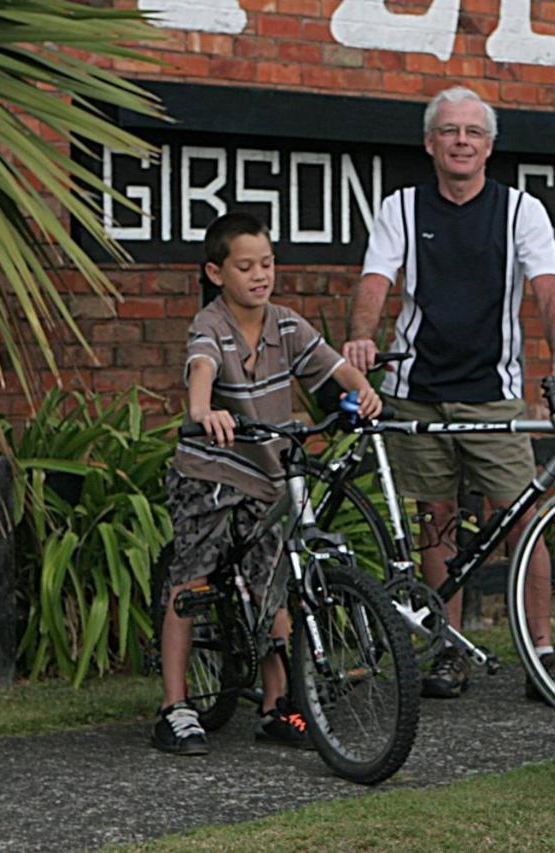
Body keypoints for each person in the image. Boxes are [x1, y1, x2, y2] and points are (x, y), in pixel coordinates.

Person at [343, 86, 555, 703]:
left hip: (491, 392)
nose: (461, 141)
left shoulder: (520, 211)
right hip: (417, 389)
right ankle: (446, 648)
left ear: (489, 146)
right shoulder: (400, 207)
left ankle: (542, 653)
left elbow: (549, 288)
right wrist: (360, 339)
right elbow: (376, 279)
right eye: (449, 131)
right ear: (430, 143)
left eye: (473, 132)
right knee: (436, 523)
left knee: (521, 521)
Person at [155, 212, 382, 755]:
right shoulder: (210, 325)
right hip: (212, 472)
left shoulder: (285, 323)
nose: (261, 275)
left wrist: (362, 390)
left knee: (276, 582)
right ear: (215, 272)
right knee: (190, 580)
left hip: (269, 476)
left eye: (268, 263)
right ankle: (174, 706)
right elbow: (201, 366)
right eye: (246, 266)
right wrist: (202, 410)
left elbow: (330, 366)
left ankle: (277, 706)